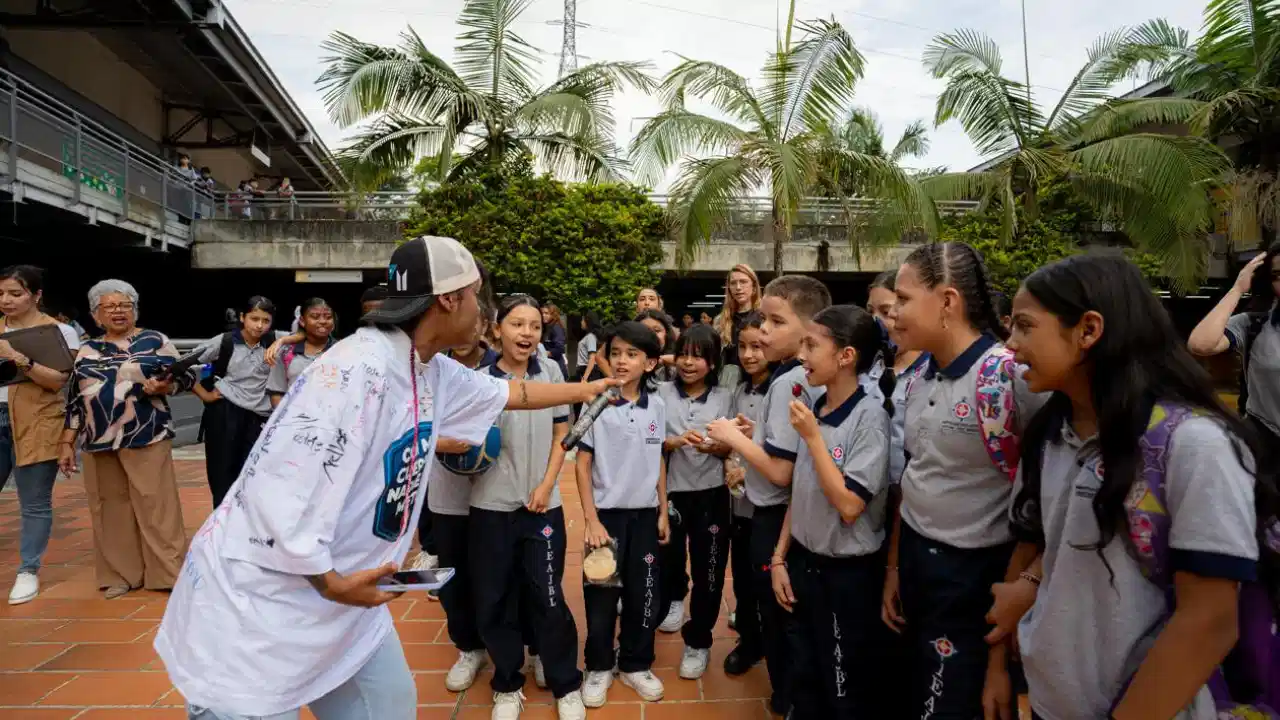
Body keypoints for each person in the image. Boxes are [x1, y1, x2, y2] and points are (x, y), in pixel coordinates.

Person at [155, 235, 618, 720]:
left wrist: (592, 388)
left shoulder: (425, 367)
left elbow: (513, 394)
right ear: (449, 299)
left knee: (389, 706)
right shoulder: (355, 371)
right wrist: (330, 583)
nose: (484, 315)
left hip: (348, 600)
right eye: (480, 299)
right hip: (267, 606)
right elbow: (276, 494)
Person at [996, 254, 1277, 720]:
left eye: (1025, 326)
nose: (1011, 343)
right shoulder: (1053, 432)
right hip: (1054, 704)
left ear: (1088, 330)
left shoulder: (1192, 444)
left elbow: (1208, 620)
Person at [882, 242, 1048, 720]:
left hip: (975, 579)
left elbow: (1041, 506)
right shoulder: (918, 376)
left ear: (948, 301)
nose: (894, 311)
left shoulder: (1008, 378)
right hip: (916, 561)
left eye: (905, 297)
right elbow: (913, 478)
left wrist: (1001, 646)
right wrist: (894, 567)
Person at [705, 274, 833, 717]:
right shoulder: (802, 375)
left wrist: (732, 438)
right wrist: (756, 432)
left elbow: (781, 471)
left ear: (811, 325)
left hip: (776, 513)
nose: (762, 332)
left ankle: (786, 697)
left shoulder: (789, 380)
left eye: (776, 322)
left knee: (779, 615)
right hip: (792, 515)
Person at [770, 305, 895, 719]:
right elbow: (801, 492)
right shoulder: (817, 406)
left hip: (847, 575)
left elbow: (848, 505)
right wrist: (779, 557)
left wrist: (813, 438)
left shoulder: (869, 417)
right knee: (805, 673)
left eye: (812, 344)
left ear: (846, 356)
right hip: (806, 564)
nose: (802, 355)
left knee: (843, 683)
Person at [468, 294, 585, 720]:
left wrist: (547, 484)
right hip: (490, 506)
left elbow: (562, 435)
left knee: (549, 595)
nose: (527, 334)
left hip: (543, 504)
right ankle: (506, 682)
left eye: (534, 326)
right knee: (495, 596)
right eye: (517, 325)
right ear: (497, 329)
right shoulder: (479, 379)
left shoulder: (551, 371)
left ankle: (564, 681)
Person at [59, 279, 190, 600]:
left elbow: (185, 376)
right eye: (110, 307)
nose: (118, 312)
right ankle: (120, 574)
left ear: (135, 309)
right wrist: (66, 442)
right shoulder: (87, 348)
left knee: (156, 505)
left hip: (147, 432)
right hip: (97, 439)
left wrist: (166, 387)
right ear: (96, 314)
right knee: (109, 508)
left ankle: (168, 574)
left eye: (125, 305)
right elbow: (76, 399)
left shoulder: (154, 340)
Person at [576, 321, 669, 708]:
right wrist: (591, 519)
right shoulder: (594, 404)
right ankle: (598, 665)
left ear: (649, 364)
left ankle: (635, 663)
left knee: (643, 594)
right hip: (607, 520)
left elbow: (659, 458)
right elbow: (581, 465)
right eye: (615, 353)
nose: (621, 361)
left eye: (632, 354)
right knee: (600, 595)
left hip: (645, 518)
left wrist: (664, 510)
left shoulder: (658, 405)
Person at [419, 304, 498, 690]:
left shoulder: (504, 370)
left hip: (497, 495)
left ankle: (511, 643)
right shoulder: (426, 369)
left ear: (485, 326)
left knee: (500, 574)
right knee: (454, 575)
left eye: (478, 320)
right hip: (447, 495)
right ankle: (469, 647)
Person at [654, 325, 733, 680]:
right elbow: (646, 439)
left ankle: (698, 641)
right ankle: (673, 597)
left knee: (710, 571)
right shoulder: (659, 392)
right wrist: (671, 442)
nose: (688, 363)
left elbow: (736, 446)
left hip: (712, 495)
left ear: (713, 361)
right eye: (684, 353)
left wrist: (717, 447)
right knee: (668, 558)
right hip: (668, 492)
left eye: (698, 356)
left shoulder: (726, 397)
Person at [0, 265, 79, 605]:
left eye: (15, 294)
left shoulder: (57, 332)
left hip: (38, 421)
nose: (6, 300)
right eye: (1, 293)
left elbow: (58, 381)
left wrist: (19, 359)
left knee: (33, 502)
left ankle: (27, 570)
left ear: (36, 295)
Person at [190, 296, 288, 507]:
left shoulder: (275, 340)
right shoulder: (224, 342)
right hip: (226, 412)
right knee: (222, 474)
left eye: (266, 320)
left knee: (258, 475)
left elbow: (307, 336)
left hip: (261, 416)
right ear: (243, 317)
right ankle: (220, 528)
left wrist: (282, 341)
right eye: (254, 319)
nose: (260, 325)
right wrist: (204, 395)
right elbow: (182, 364)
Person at [1189, 243, 1280, 451]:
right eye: (1278, 275)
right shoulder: (1253, 324)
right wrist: (1237, 288)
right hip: (1267, 447)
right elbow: (1201, 344)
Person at [723, 311, 769, 677]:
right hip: (739, 502)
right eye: (743, 346)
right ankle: (750, 640)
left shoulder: (785, 390)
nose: (750, 354)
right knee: (742, 575)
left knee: (765, 578)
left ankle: (768, 638)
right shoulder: (740, 389)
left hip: (770, 504)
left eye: (758, 346)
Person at [267, 298, 336, 408]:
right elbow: (277, 393)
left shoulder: (343, 351)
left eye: (328, 317)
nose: (323, 321)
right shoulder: (286, 352)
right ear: (302, 321)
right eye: (315, 317)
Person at [715, 264, 763, 386]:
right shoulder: (720, 321)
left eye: (743, 282)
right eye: (733, 283)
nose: (738, 287)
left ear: (754, 287)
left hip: (759, 382)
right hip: (727, 384)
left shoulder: (765, 318)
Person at [636, 309, 677, 383]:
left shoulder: (676, 368)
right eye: (644, 330)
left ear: (666, 335)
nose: (651, 335)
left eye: (657, 330)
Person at [541, 303, 567, 379]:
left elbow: (559, 349)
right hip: (548, 366)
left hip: (557, 367)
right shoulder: (546, 327)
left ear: (553, 315)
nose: (543, 315)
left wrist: (542, 353)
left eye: (546, 313)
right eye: (542, 313)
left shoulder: (556, 327)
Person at [575, 312, 603, 380]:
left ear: (588, 322)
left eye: (582, 320)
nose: (581, 322)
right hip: (584, 370)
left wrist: (585, 377)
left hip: (588, 372)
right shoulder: (588, 336)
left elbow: (592, 358)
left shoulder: (590, 337)